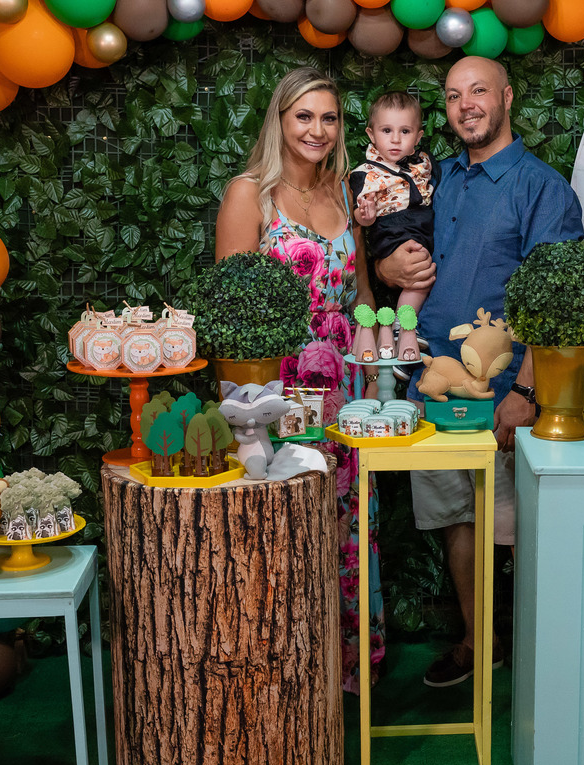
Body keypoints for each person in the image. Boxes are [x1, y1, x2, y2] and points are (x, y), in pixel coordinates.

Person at [377, 56, 584, 687]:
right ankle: (480, 642)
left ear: (507, 97)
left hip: (502, 394)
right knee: (455, 517)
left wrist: (526, 390)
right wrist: (387, 270)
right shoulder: (430, 178)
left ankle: (538, 659)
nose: (466, 104)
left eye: (478, 92)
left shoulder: (541, 187)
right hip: (431, 391)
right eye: (453, 94)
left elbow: (555, 301)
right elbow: (384, 244)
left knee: (517, 527)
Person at [216, 67, 384, 694]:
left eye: (329, 117)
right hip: (281, 383)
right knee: (288, 516)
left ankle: (346, 676)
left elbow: (363, 292)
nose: (317, 129)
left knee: (347, 519)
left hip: (349, 382)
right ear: (280, 122)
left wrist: (378, 344)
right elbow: (233, 311)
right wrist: (245, 409)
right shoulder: (249, 195)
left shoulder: (347, 193)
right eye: (304, 117)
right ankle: (285, 671)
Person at [349, 90, 439, 361]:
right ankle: (403, 328)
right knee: (421, 273)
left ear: (418, 137)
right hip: (390, 230)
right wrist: (366, 215)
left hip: (419, 226)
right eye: (386, 130)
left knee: (425, 271)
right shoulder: (366, 173)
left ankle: (403, 329)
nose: (396, 139)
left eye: (405, 131)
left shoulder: (422, 163)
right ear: (371, 134)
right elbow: (359, 218)